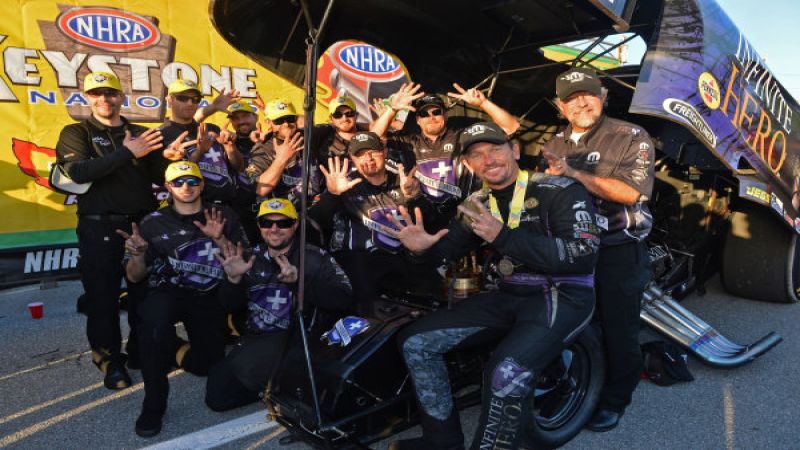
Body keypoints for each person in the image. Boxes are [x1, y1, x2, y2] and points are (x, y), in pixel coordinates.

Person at [387, 122, 600, 450]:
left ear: (514, 150)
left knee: (505, 373)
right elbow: (444, 257)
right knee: (415, 341)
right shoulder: (477, 202)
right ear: (468, 164)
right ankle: (442, 441)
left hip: (564, 293)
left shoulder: (560, 189)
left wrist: (502, 236)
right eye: (476, 155)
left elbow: (582, 255)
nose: (488, 160)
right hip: (509, 292)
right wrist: (420, 251)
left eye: (495, 149)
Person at [541, 66, 655, 432]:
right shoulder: (553, 144)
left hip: (616, 249)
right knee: (573, 324)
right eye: (571, 99)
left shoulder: (630, 135)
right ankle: (578, 386)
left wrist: (573, 174)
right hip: (570, 251)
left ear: (603, 96)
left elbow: (631, 193)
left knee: (619, 330)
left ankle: (615, 400)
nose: (581, 103)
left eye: (588, 95)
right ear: (560, 106)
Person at [120, 161, 248, 437]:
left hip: (210, 296)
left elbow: (242, 262)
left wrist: (220, 239)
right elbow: (134, 276)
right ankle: (153, 405)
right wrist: (138, 255)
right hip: (170, 292)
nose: (186, 187)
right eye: (178, 182)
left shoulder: (224, 215)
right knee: (153, 325)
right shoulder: (152, 222)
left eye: (192, 181)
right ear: (168, 187)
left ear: (202, 184)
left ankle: (170, 346)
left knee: (206, 365)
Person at [55, 71, 165, 390]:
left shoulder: (141, 132)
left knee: (144, 295)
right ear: (87, 97)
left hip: (141, 225)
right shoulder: (77, 131)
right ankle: (110, 360)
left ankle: (140, 352)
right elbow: (77, 171)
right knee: (102, 298)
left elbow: (160, 176)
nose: (104, 99)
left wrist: (173, 158)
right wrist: (128, 153)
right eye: (96, 93)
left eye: (111, 93)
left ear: (121, 97)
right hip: (98, 225)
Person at [205, 198, 352, 411]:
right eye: (267, 223)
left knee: (224, 396)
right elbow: (228, 306)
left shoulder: (315, 257)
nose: (274, 229)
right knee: (216, 390)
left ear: (295, 224)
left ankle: (283, 384)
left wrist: (299, 283)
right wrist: (233, 281)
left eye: (283, 223)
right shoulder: (248, 257)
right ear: (259, 226)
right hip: (258, 337)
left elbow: (344, 298)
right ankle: (276, 384)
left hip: (299, 339)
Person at [309, 131, 440, 309]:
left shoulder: (405, 181)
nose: (368, 159)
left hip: (401, 259)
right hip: (360, 263)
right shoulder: (345, 184)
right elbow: (314, 223)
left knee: (431, 290)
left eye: (373, 152)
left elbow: (431, 222)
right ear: (353, 159)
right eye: (361, 155)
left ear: (384, 152)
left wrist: (414, 197)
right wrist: (332, 195)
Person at [371, 83, 520, 230]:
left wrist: (483, 103)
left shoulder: (463, 133)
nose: (431, 117)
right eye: (424, 114)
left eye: (436, 112)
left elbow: (510, 127)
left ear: (445, 115)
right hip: (424, 220)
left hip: (466, 218)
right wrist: (392, 110)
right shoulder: (408, 140)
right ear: (417, 120)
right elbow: (371, 141)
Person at [159, 79, 243, 206]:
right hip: (192, 207)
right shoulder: (160, 134)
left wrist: (230, 147)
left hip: (227, 205)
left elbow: (239, 167)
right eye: (183, 98)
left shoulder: (212, 129)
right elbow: (168, 179)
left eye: (195, 99)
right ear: (170, 100)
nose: (190, 103)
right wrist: (200, 151)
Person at [245, 98, 323, 204]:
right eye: (279, 120)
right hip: (283, 209)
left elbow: (308, 120)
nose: (286, 124)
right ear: (268, 122)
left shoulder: (308, 135)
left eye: (290, 118)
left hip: (315, 205)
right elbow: (260, 189)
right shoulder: (262, 149)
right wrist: (281, 159)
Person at [222, 100, 261, 243]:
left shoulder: (269, 140)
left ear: (256, 117)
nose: (241, 121)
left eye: (245, 116)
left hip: (268, 208)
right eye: (235, 118)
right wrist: (228, 145)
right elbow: (239, 167)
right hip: (238, 212)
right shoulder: (226, 142)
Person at [311, 95, 370, 163]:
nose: (344, 118)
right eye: (338, 115)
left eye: (349, 114)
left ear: (356, 115)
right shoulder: (323, 136)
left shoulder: (369, 136)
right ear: (331, 118)